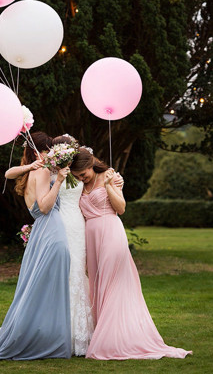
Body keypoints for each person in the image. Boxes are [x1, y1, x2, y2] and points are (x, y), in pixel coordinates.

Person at [0, 132, 72, 362]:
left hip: (42, 231)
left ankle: (44, 336)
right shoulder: (40, 171)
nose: (51, 153)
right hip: (51, 229)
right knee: (45, 286)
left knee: (38, 287)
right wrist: (59, 181)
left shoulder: (31, 170)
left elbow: (9, 173)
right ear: (38, 151)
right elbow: (46, 206)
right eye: (48, 148)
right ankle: (43, 339)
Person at [72, 147, 191, 359]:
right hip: (90, 236)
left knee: (112, 282)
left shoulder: (109, 176)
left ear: (91, 165)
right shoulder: (79, 185)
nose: (82, 178)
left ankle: (114, 339)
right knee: (97, 284)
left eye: (84, 174)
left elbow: (121, 207)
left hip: (110, 231)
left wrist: (109, 186)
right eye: (78, 176)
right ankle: (104, 333)